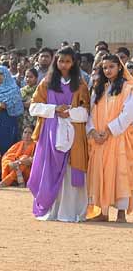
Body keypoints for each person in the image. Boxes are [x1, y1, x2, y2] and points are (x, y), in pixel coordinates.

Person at [27, 46, 90, 222]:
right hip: (50, 134)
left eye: (68, 61)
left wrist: (70, 112)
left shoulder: (81, 84)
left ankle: (70, 212)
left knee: (70, 172)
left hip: (74, 134)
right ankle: (52, 210)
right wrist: (54, 109)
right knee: (50, 170)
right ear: (56, 62)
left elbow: (86, 111)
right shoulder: (46, 83)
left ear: (74, 63)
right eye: (61, 61)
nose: (64, 65)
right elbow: (33, 107)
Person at [85, 55, 133, 222]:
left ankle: (120, 214)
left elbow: (128, 114)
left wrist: (109, 131)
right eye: (105, 68)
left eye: (111, 67)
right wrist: (92, 131)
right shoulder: (99, 88)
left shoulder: (128, 88)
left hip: (118, 138)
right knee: (100, 172)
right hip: (98, 140)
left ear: (119, 68)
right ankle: (103, 212)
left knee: (120, 172)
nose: (108, 70)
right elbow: (89, 113)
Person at [0, 65, 25, 154]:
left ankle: (6, 164)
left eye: (2, 74)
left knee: (7, 144)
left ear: (6, 75)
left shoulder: (14, 88)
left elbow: (16, 103)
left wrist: (4, 105)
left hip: (8, 119)